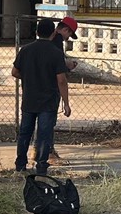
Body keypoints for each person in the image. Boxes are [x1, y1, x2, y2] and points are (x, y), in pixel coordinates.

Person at [12, 17, 71, 176]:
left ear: (37, 32)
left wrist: (29, 77)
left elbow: (14, 72)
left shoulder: (26, 50)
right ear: (53, 32)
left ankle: (20, 166)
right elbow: (61, 80)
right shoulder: (55, 53)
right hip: (48, 100)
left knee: (25, 132)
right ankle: (41, 167)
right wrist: (66, 103)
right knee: (44, 134)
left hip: (29, 98)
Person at [44, 15, 79, 166]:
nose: (68, 38)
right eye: (69, 34)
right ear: (65, 29)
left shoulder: (48, 37)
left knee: (40, 121)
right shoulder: (57, 40)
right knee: (49, 121)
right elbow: (56, 65)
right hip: (51, 85)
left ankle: (37, 150)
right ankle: (49, 153)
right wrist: (67, 67)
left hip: (39, 84)